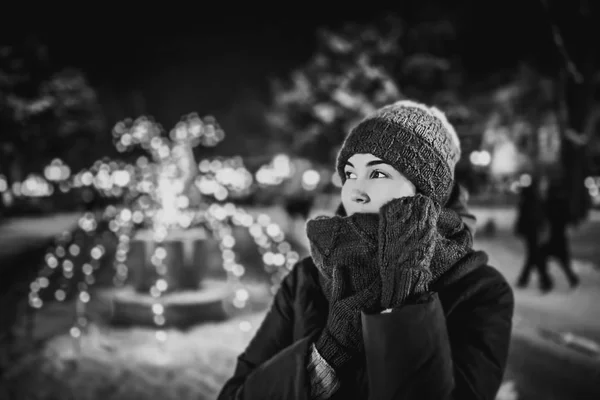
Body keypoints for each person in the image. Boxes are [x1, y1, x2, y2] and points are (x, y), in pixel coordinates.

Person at [217, 100, 514, 400]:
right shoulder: (306, 278)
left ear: (425, 194)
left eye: (378, 174)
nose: (355, 192)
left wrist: (404, 294)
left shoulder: (481, 292)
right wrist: (326, 357)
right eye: (350, 173)